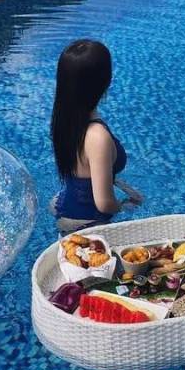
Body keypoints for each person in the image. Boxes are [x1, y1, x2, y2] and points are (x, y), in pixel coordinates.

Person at [49, 39, 143, 233]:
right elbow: (104, 204)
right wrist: (126, 206)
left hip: (64, 205)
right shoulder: (98, 137)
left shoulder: (65, 120)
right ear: (105, 81)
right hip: (87, 224)